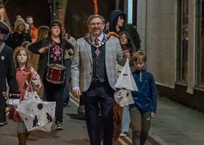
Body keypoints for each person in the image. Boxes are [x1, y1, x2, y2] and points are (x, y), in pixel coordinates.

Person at [71, 14, 128, 145]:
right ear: (88, 26)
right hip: (89, 87)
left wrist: (126, 57)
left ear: (103, 26)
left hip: (108, 87)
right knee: (92, 122)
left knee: (108, 120)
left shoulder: (113, 41)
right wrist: (75, 86)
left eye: (98, 24)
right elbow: (75, 66)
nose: (95, 26)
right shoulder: (81, 43)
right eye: (93, 24)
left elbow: (121, 61)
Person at [28, 20, 73, 130]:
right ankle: (47, 120)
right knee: (48, 97)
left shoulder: (63, 42)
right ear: (51, 30)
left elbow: (71, 47)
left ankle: (59, 121)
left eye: (58, 28)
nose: (57, 29)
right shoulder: (45, 41)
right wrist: (40, 50)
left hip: (60, 73)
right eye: (54, 27)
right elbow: (31, 47)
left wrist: (71, 50)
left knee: (59, 98)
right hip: (47, 72)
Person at [11, 46, 41, 145]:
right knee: (20, 122)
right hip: (17, 98)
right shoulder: (13, 70)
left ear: (27, 57)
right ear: (16, 57)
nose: (22, 57)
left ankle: (21, 142)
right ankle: (22, 143)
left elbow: (38, 86)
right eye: (20, 55)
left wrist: (33, 77)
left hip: (28, 99)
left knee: (30, 123)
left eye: (24, 55)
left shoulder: (31, 70)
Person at [129, 51, 157, 145]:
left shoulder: (149, 77)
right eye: (136, 63)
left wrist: (153, 109)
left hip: (147, 107)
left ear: (144, 63)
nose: (138, 65)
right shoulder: (131, 75)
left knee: (145, 131)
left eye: (140, 63)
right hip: (134, 106)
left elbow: (153, 93)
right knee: (137, 129)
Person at [62, 26, 76, 106]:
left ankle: (65, 99)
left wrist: (66, 41)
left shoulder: (71, 39)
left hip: (68, 61)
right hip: (60, 61)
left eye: (64, 30)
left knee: (66, 80)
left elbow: (74, 49)